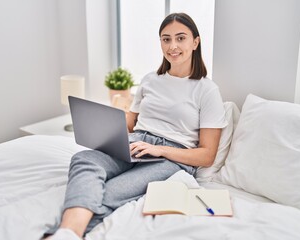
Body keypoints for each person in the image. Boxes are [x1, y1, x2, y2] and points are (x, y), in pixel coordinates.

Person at [46, 12, 227, 240]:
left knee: (112, 191)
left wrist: (159, 150)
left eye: (180, 38)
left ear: (195, 42)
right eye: (166, 39)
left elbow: (207, 155)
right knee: (84, 159)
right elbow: (130, 123)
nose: (173, 46)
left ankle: (65, 232)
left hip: (173, 157)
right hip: (137, 142)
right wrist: (105, 125)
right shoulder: (150, 80)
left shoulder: (206, 90)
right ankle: (67, 232)